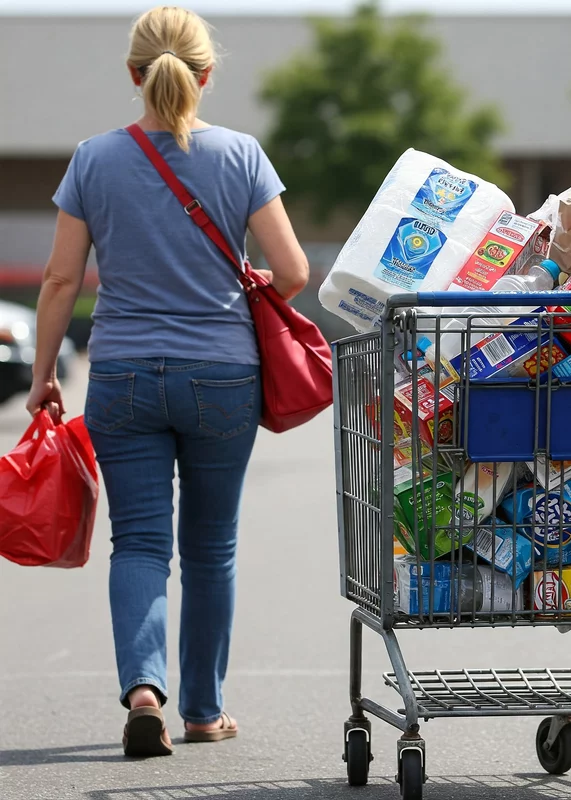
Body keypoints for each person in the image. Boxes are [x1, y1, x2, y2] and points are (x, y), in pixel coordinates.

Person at [26, 6, 309, 757]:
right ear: (206, 75)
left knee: (141, 543)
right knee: (211, 547)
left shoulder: (93, 159)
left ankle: (142, 690)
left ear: (132, 75)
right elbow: (294, 272)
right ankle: (204, 710)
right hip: (223, 376)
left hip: (121, 374)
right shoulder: (243, 155)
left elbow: (59, 280)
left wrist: (44, 374)